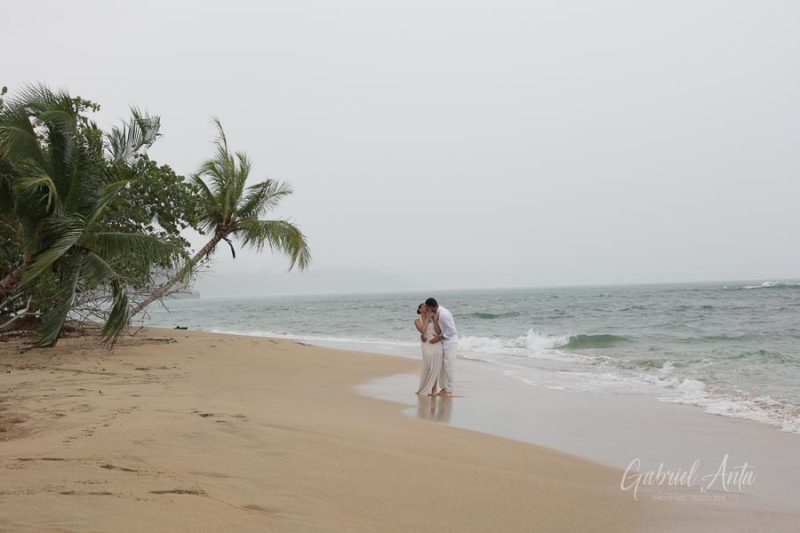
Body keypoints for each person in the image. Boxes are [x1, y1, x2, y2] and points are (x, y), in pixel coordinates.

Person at [425, 297, 458, 396]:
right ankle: (444, 388)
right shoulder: (437, 314)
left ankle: (449, 390)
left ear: (431, 307)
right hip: (444, 342)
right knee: (442, 367)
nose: (427, 310)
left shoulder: (444, 314)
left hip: (451, 343)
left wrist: (439, 338)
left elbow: (452, 331)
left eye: (428, 308)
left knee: (449, 366)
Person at [414, 303, 443, 395]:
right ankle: (425, 387)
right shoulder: (417, 321)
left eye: (427, 306)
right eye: (424, 306)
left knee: (436, 367)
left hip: (437, 343)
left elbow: (439, 331)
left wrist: (434, 320)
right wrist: (427, 318)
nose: (426, 307)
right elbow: (422, 330)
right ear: (420, 309)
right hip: (426, 344)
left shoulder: (434, 318)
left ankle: (434, 390)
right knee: (428, 365)